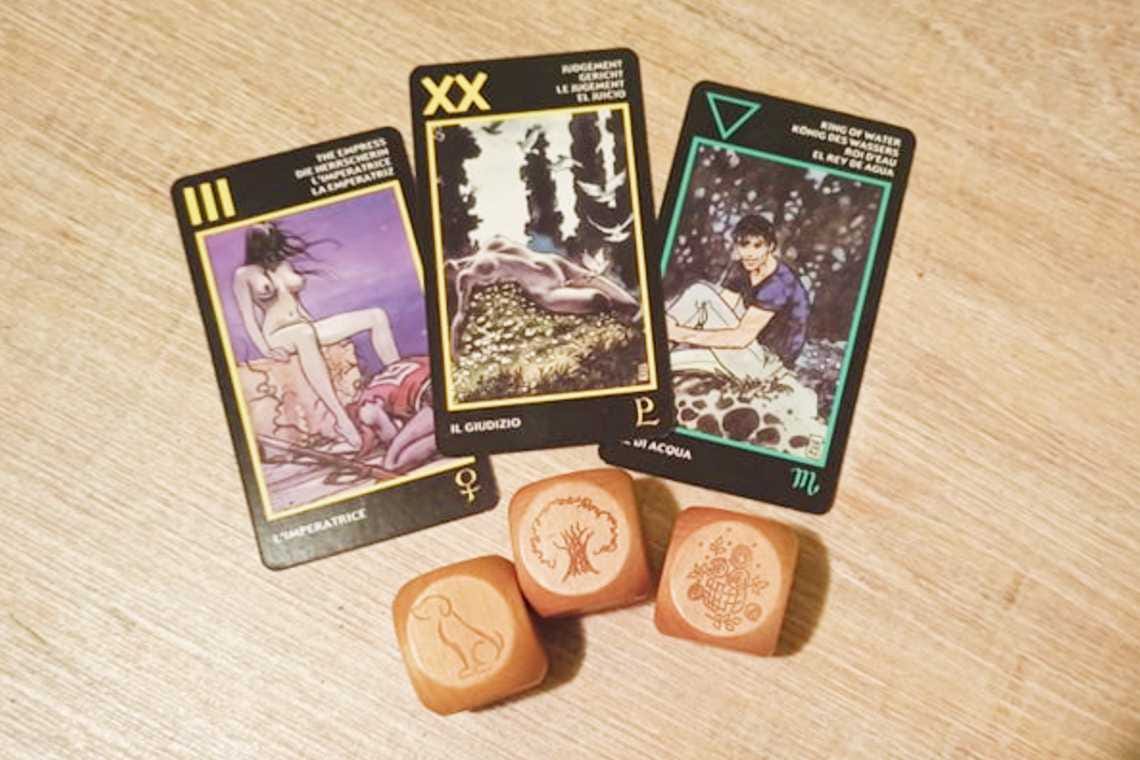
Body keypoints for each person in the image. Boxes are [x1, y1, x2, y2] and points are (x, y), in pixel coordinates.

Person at [231, 222, 399, 450]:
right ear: (255, 243)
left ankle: (399, 379)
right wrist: (265, 349)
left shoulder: (283, 265)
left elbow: (297, 304)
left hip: (305, 326)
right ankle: (341, 418)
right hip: (278, 334)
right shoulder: (244, 275)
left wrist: (314, 329)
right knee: (304, 333)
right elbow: (248, 318)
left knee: (376, 316)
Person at [666, 214, 811, 381]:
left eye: (757, 246)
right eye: (744, 245)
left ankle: (662, 343)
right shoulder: (743, 269)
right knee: (699, 292)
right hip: (745, 351)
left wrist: (681, 334)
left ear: (770, 247)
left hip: (765, 365)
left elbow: (741, 337)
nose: (749, 254)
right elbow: (723, 309)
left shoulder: (779, 283)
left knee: (667, 362)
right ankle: (661, 342)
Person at [345, 356, 438, 473]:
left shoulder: (366, 403)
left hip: (431, 394)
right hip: (441, 380)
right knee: (395, 456)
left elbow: (387, 432)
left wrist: (366, 446)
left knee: (392, 461)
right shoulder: (386, 375)